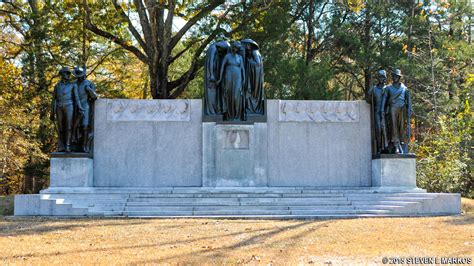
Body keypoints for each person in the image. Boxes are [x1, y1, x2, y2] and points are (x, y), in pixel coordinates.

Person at [51, 67, 83, 152]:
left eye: (69, 73)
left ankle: (68, 145)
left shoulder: (73, 85)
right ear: (62, 74)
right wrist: (52, 112)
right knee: (60, 128)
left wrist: (80, 107)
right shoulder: (57, 86)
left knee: (69, 127)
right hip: (59, 106)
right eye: (66, 73)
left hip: (69, 105)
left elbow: (77, 98)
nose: (68, 75)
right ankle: (61, 145)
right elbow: (54, 99)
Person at [382, 69, 413, 154]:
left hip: (402, 109)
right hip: (392, 108)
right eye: (394, 76)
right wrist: (382, 109)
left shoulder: (404, 89)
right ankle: (396, 145)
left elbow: (409, 100)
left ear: (399, 77)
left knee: (402, 127)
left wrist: (410, 110)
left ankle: (402, 143)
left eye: (397, 76)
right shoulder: (388, 88)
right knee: (394, 127)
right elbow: (384, 99)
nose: (395, 78)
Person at [217, 41, 245, 121]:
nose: (236, 49)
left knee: (236, 96)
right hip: (228, 76)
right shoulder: (227, 56)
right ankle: (229, 116)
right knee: (228, 95)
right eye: (235, 47)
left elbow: (242, 69)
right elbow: (222, 67)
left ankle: (237, 116)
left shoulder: (240, 58)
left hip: (238, 77)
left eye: (237, 48)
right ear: (232, 47)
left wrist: (244, 79)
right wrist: (220, 78)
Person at [72, 66, 97, 153]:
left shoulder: (89, 83)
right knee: (74, 127)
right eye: (78, 76)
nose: (80, 77)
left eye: (81, 75)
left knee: (85, 127)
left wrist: (89, 90)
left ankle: (85, 145)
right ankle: (74, 145)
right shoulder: (73, 84)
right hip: (74, 108)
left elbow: (95, 96)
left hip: (85, 107)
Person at [366, 70, 388, 155]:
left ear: (385, 78)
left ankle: (386, 148)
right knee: (378, 129)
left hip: (386, 113)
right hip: (377, 112)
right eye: (380, 77)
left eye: (383, 77)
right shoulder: (374, 89)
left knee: (385, 130)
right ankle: (379, 147)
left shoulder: (387, 88)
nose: (381, 79)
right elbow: (368, 100)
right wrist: (369, 92)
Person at [241, 39, 264, 115]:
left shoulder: (255, 52)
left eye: (244, 45)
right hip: (252, 75)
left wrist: (248, 61)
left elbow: (257, 64)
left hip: (254, 77)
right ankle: (249, 108)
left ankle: (252, 108)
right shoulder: (252, 53)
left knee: (252, 92)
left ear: (248, 45)